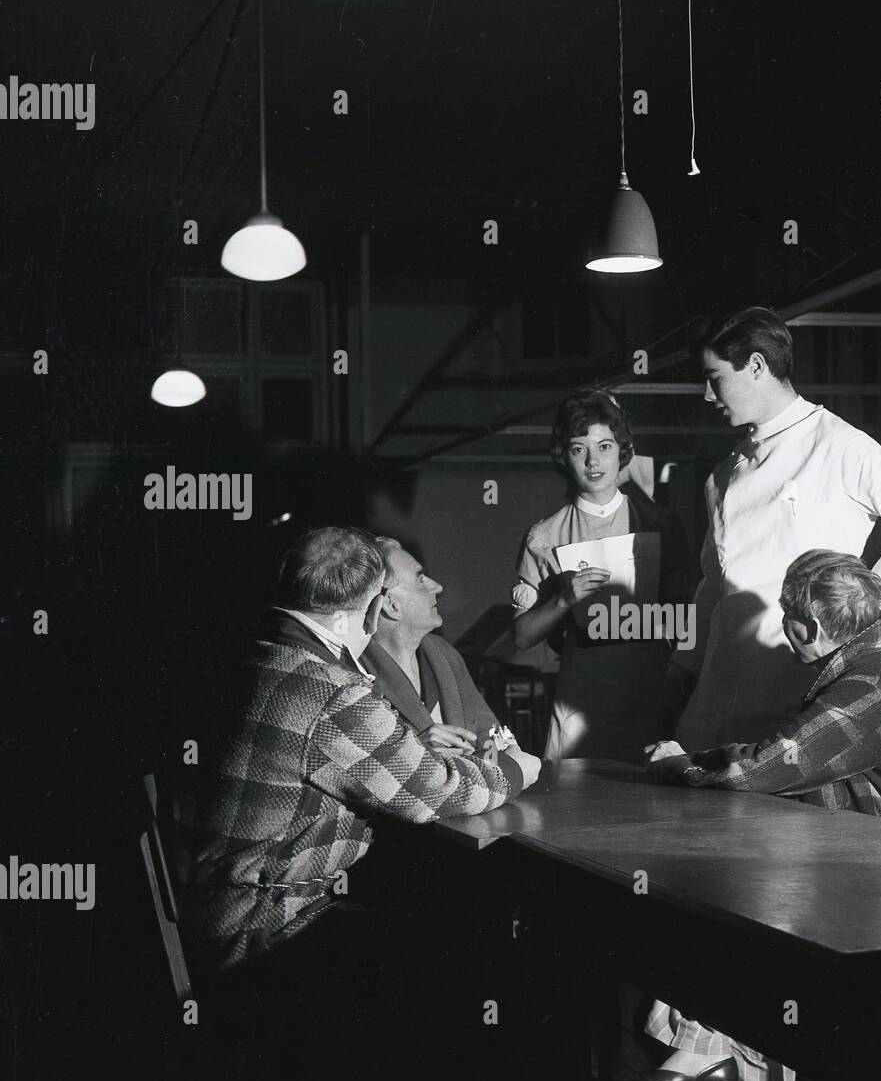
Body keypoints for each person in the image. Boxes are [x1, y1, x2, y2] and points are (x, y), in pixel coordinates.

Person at [623, 549, 881, 1081]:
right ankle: (733, 1073)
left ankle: (715, 1057)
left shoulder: (867, 688)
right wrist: (696, 761)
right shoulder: (876, 666)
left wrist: (679, 765)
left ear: (802, 627)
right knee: (750, 881)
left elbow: (760, 768)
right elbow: (786, 755)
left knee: (736, 889)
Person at [184, 524, 539, 978]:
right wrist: (516, 769)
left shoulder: (262, 658)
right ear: (374, 607)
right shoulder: (329, 691)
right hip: (266, 932)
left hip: (228, 910)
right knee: (469, 956)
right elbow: (438, 793)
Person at [664, 306, 881, 752]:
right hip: (721, 676)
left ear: (757, 366)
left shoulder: (839, 445)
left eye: (715, 378)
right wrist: (683, 669)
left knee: (780, 808)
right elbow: (714, 586)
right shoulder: (723, 473)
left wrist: (861, 618)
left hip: (799, 670)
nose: (708, 395)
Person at [510, 387, 690, 761]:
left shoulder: (660, 522)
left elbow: (684, 620)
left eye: (604, 446)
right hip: (580, 702)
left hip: (650, 701)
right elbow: (523, 637)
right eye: (579, 449)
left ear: (622, 449)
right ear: (565, 455)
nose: (593, 461)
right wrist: (564, 599)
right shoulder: (544, 537)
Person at [364, 534, 527, 762]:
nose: (437, 587)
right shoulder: (354, 671)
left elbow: (489, 733)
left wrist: (505, 759)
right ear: (391, 605)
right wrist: (413, 751)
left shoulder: (442, 653)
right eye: (420, 579)